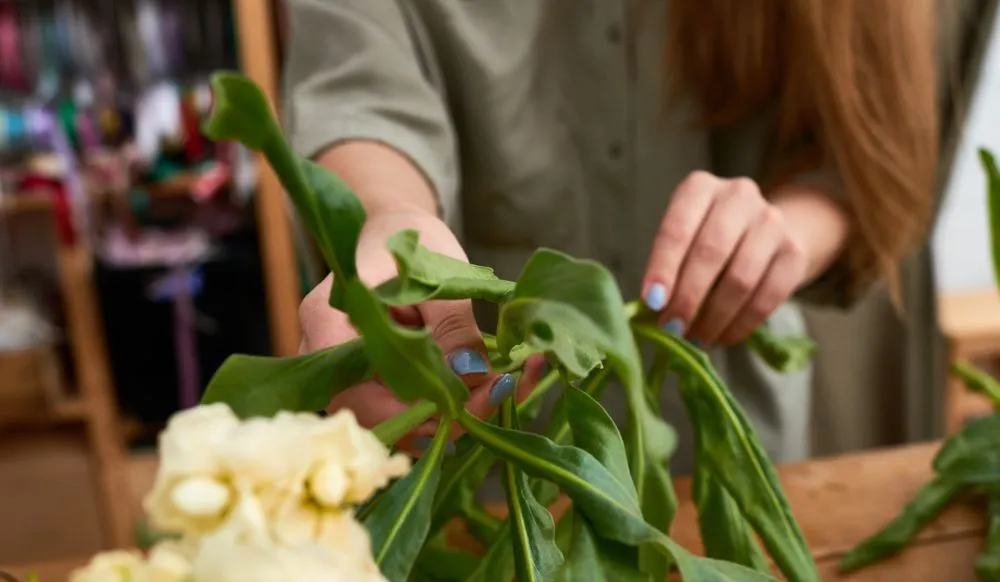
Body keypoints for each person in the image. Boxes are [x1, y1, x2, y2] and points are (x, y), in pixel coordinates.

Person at [283, 0, 938, 472]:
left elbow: (864, 148)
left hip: (727, 433)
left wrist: (776, 235)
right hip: (482, 441)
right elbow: (361, 89)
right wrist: (392, 229)